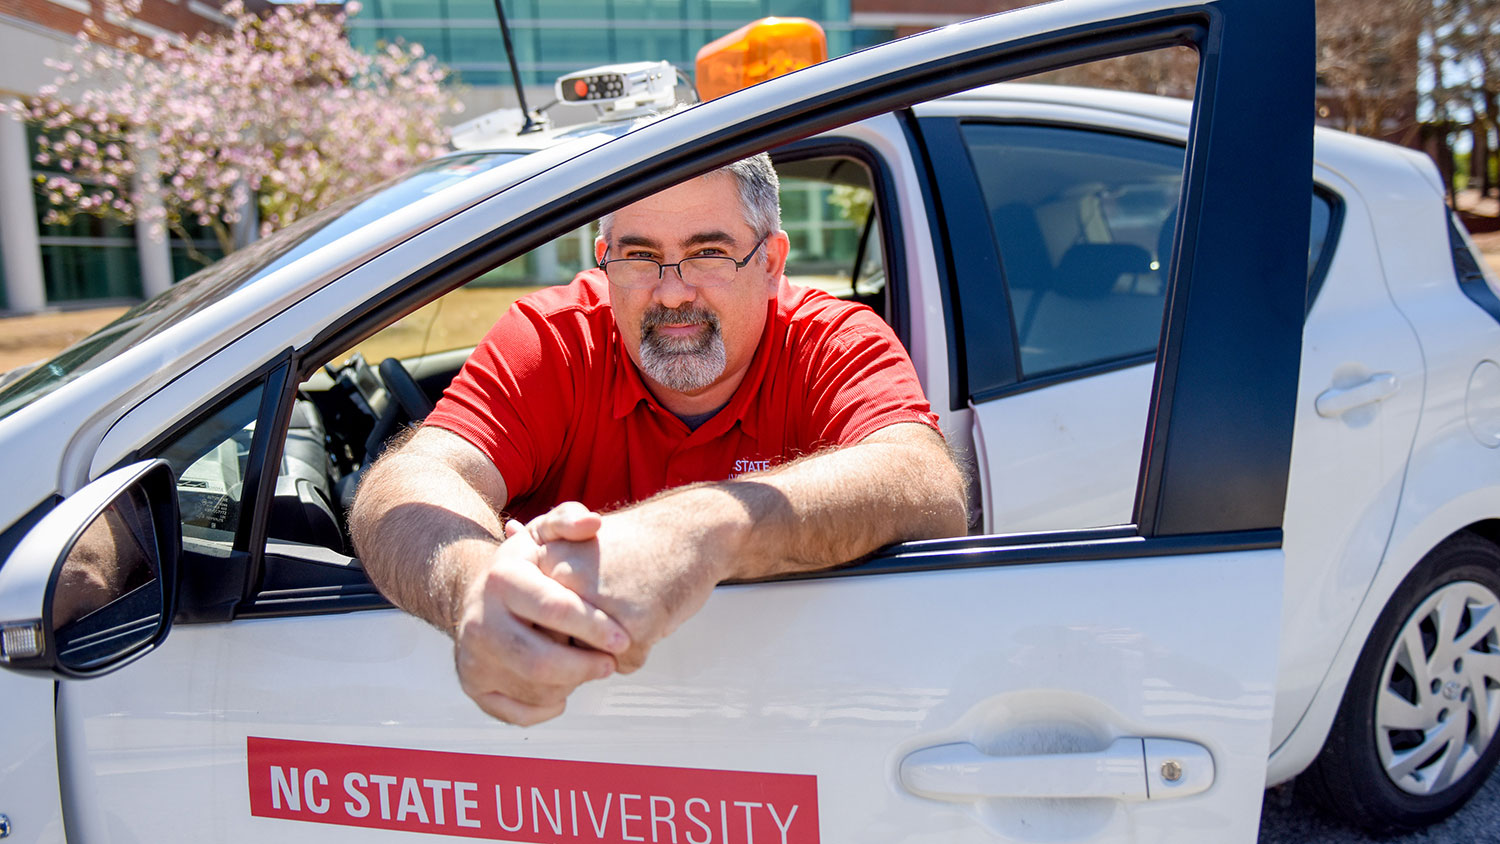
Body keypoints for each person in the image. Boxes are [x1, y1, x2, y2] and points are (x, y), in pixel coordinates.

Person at [349, 153, 966, 726]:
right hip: (566, 748)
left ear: (772, 263)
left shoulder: (831, 341)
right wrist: (476, 589)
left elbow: (924, 482)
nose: (671, 292)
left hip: (797, 723)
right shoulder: (556, 338)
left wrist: (699, 532)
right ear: (603, 258)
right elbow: (412, 481)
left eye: (707, 254)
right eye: (640, 256)